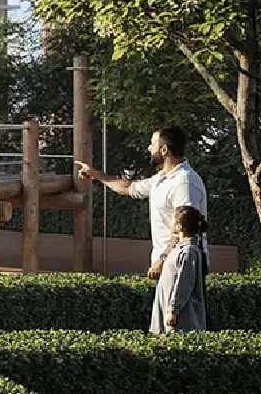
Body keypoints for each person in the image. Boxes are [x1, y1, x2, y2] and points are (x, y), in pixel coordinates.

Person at [77, 125, 207, 280]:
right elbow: (128, 188)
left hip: (183, 268)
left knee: (177, 306)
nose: (148, 148)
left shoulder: (184, 182)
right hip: (169, 269)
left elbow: (185, 229)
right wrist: (97, 175)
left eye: (152, 144)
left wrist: (163, 260)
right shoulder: (161, 179)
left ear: (164, 150)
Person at [151, 205, 208, 335]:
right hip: (167, 313)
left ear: (179, 226)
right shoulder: (178, 250)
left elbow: (184, 282)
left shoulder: (189, 252)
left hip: (181, 319)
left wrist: (173, 310)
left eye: (172, 220)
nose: (169, 223)